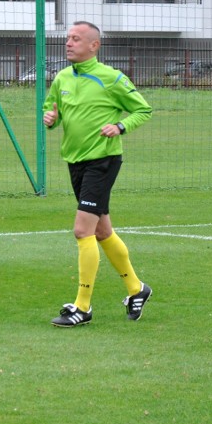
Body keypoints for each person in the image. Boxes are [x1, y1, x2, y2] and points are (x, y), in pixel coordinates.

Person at [42, 21, 153, 327]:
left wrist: (120, 126)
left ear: (94, 46)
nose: (68, 43)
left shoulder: (112, 78)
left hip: (103, 160)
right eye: (67, 38)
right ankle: (136, 288)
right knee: (102, 230)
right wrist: (50, 118)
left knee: (82, 230)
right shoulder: (62, 78)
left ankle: (83, 306)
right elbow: (51, 112)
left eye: (76, 39)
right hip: (74, 161)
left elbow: (143, 110)